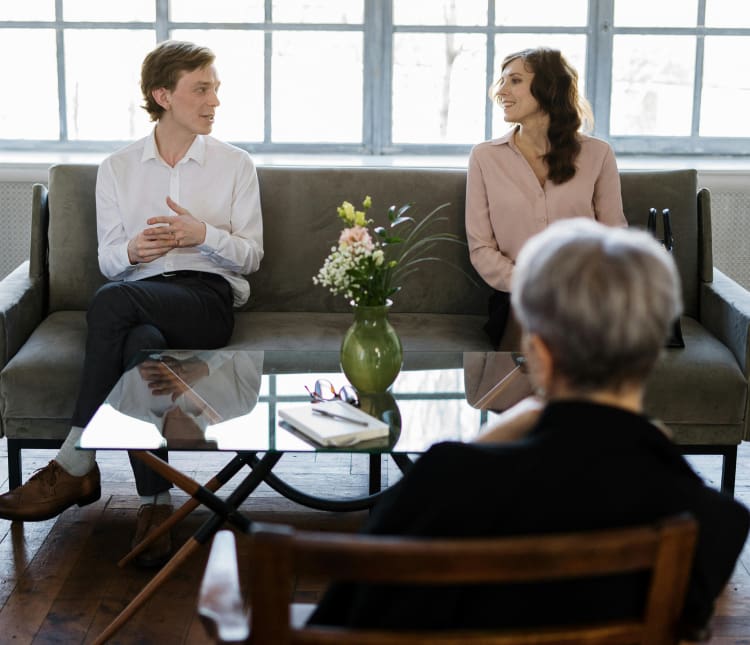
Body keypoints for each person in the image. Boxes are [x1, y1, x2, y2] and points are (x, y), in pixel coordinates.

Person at [309, 219, 750, 640]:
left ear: (537, 353)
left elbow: (341, 617)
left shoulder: (443, 484)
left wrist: (484, 439)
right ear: (653, 355)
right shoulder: (713, 523)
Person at [0, 40, 263, 568]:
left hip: (206, 300)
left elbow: (251, 257)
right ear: (162, 95)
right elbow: (109, 258)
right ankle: (155, 504)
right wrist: (132, 251)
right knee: (139, 343)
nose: (214, 101)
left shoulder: (235, 165)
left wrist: (201, 233)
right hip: (139, 295)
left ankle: (76, 461)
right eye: (202, 89)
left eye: (216, 89)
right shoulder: (118, 168)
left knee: (113, 302)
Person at [466, 47, 627, 347]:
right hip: (517, 295)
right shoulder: (484, 157)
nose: (501, 91)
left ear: (549, 88)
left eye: (514, 81)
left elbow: (614, 237)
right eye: (501, 81)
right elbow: (481, 248)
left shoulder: (598, 154)